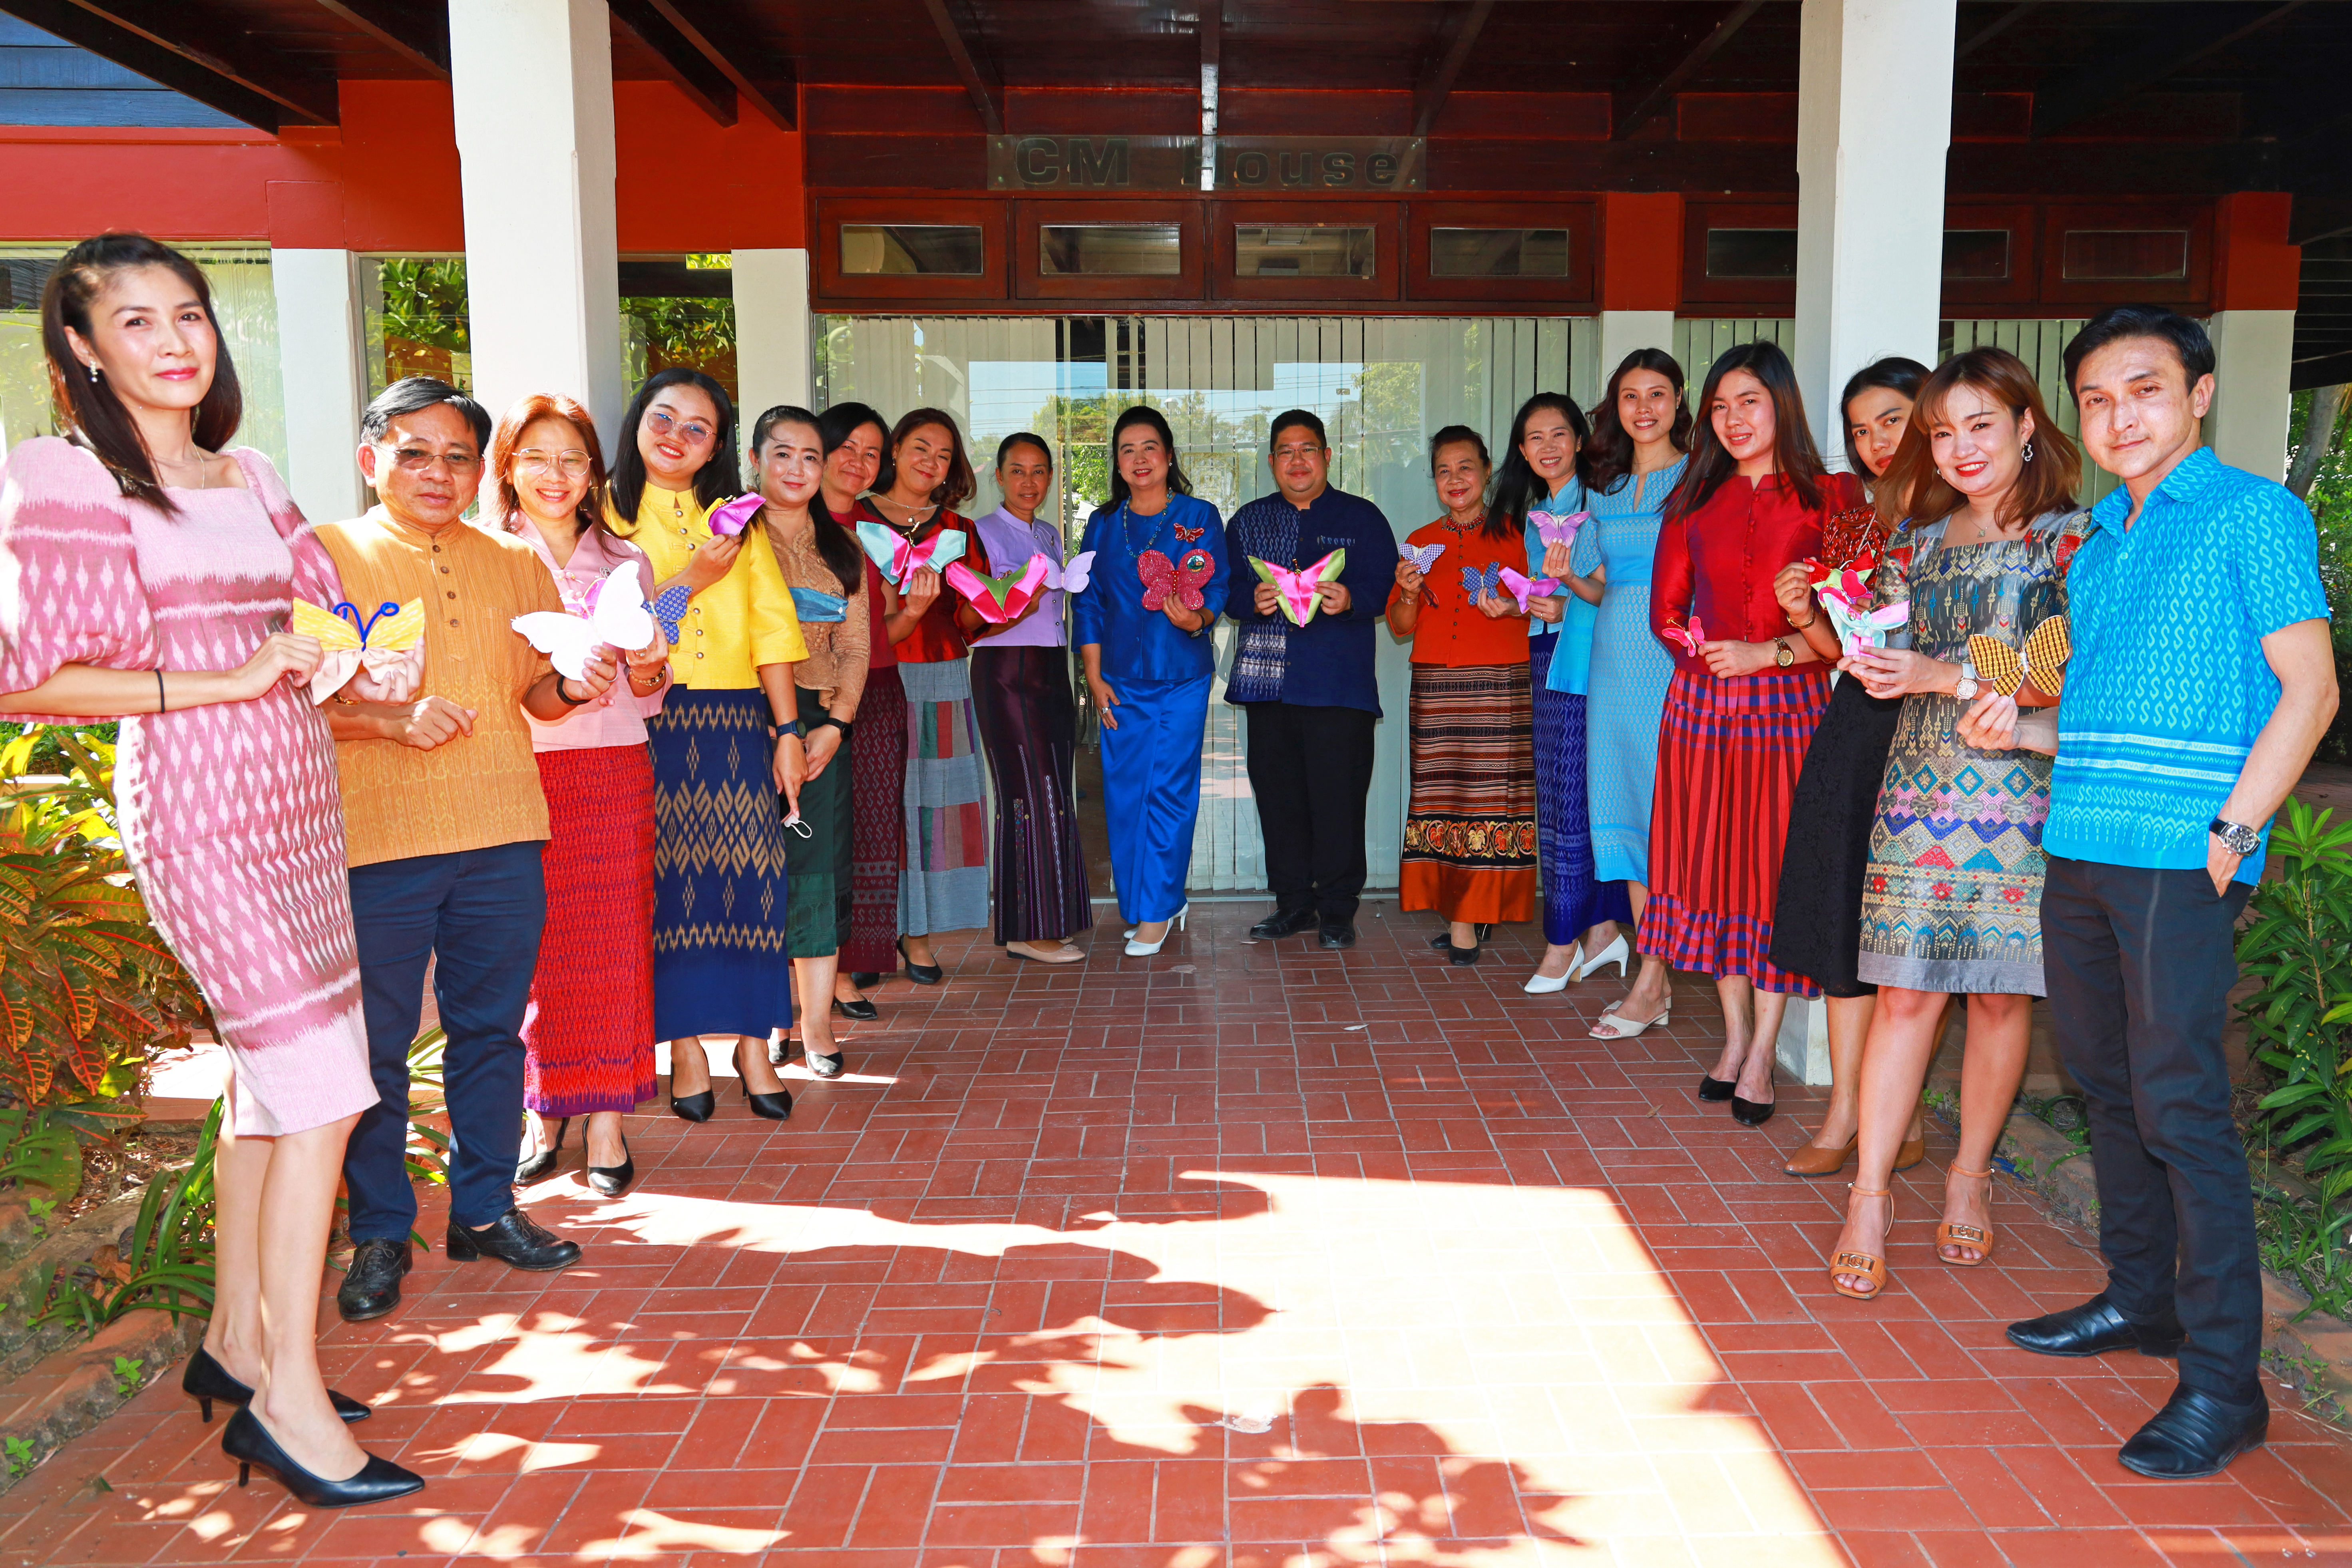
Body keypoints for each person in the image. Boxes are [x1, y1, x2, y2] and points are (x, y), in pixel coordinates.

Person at [0, 234, 418, 1506]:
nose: (177, 341)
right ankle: (287, 1400)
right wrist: (217, 680)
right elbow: (31, 677)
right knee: (324, 1081)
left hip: (296, 796)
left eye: (190, 313)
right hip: (195, 801)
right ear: (80, 345)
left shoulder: (250, 471)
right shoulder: (63, 477)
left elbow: (309, 624)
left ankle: (240, 1339)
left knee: (270, 1080)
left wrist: (365, 666)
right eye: (136, 321)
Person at [1997, 306, 2336, 1480]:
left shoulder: (2253, 511)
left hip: (2178, 858)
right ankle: (2138, 1301)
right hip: (2080, 841)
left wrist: (2232, 832)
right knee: (2103, 1085)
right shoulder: (2092, 541)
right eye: (2093, 399)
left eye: (2140, 389)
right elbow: (2091, 714)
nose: (2115, 417)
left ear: (2195, 394)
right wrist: (2020, 724)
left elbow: (2307, 687)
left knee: (2182, 1108)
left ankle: (2222, 1383)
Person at [310, 376, 601, 1321]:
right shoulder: (325, 555)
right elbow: (303, 699)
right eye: (414, 451)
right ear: (371, 458)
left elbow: (539, 699)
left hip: (504, 832)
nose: (439, 472)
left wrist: (583, 680)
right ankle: (381, 1232)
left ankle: (483, 1208)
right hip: (378, 839)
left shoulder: (516, 563)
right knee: (379, 1046)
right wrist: (388, 721)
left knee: (490, 1031)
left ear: (483, 470)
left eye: (458, 455)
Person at [1819, 346, 2086, 1303]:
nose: (1961, 448)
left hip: (2025, 793)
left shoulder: (2075, 543)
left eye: (1982, 425)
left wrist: (1949, 677)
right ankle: (1871, 1196)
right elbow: (1870, 647)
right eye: (1943, 432)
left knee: (2004, 999)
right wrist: (1834, 630)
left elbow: (2076, 683)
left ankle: (1970, 1177)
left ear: (2025, 426)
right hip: (1919, 787)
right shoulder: (1916, 543)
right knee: (1902, 998)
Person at [1645, 340, 1862, 1125]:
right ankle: (1734, 1039)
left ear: (1782, 405)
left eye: (1750, 402)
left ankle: (1765, 1052)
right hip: (1702, 711)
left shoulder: (1832, 498)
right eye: (1720, 405)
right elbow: (1664, 614)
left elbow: (1853, 628)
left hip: (1791, 710)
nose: (1733, 420)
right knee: (1709, 874)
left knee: (1773, 876)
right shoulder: (1691, 499)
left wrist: (1768, 652)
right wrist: (1705, 657)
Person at [607, 369, 808, 1124]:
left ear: (718, 447)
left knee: (754, 884)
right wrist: (690, 578)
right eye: (664, 418)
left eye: (698, 428)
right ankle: (685, 1046)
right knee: (670, 892)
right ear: (637, 421)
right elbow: (620, 625)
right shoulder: (603, 519)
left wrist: (787, 731)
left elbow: (771, 631)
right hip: (646, 718)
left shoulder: (739, 518)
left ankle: (754, 1045)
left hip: (734, 719)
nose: (676, 437)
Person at [496, 394, 669, 1197]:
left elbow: (656, 689)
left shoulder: (628, 562)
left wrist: (651, 664)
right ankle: (544, 1109)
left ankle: (606, 1119)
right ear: (509, 467)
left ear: (595, 470)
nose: (556, 474)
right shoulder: (488, 558)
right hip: (517, 773)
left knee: (613, 940)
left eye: (573, 458)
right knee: (533, 948)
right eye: (537, 457)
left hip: (611, 769)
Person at [1765, 358, 1932, 1176]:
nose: (1874, 443)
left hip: (1938, 734)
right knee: (1840, 916)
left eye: (1891, 421)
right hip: (1858, 726)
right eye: (1861, 429)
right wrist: (1804, 613)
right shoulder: (1853, 523)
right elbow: (1843, 653)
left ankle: (1900, 1118)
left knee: (1911, 935)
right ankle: (1844, 1115)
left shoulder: (1966, 518)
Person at [1220, 410, 1397, 949]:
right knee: (1279, 800)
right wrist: (1248, 600)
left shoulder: (1361, 518)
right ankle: (1293, 905)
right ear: (1272, 462)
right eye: (1285, 452)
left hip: (1338, 688)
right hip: (1267, 685)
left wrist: (1353, 600)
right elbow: (1224, 595)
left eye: (1307, 450)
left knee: (1338, 801)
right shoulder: (1247, 522)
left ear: (1326, 455)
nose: (1297, 461)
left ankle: (1338, 910)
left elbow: (1387, 589)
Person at [1556, 351, 1689, 1037]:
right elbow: (1601, 585)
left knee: (1667, 816)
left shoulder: (1700, 479)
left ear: (1677, 401)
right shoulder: (1601, 487)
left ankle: (1652, 977)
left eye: (1657, 394)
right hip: (1612, 658)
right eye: (1630, 396)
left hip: (1672, 663)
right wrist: (1566, 575)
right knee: (1625, 818)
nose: (1644, 408)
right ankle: (1653, 974)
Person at [1072, 405, 1229, 956]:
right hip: (1118, 681)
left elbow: (1217, 588)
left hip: (1181, 678)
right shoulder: (1101, 522)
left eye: (1149, 448)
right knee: (1123, 795)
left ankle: (1159, 908)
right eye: (1126, 450)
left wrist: (1199, 619)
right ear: (1117, 463)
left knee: (1167, 791)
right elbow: (1088, 603)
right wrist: (1093, 677)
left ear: (1167, 456)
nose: (1139, 459)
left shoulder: (1199, 514)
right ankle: (1144, 903)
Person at [1498, 392, 1634, 991]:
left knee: (1576, 801)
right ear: (1523, 453)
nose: (1547, 447)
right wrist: (1512, 603)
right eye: (1534, 439)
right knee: (1561, 800)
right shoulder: (1536, 514)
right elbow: (1541, 598)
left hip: (1588, 665)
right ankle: (1602, 934)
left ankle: (1564, 942)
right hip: (1545, 658)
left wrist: (1567, 592)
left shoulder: (1604, 505)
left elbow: (1610, 589)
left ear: (1580, 440)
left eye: (1559, 435)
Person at [1388, 426, 1538, 964]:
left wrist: (1515, 608)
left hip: (1498, 683)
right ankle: (1462, 908)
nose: (1455, 480)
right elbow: (1400, 625)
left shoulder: (1517, 536)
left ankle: (1465, 922)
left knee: (1489, 802)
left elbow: (1543, 604)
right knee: (1441, 799)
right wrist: (1407, 591)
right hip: (1434, 685)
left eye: (1465, 467)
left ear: (1486, 470)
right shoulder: (1418, 540)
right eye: (1443, 470)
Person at [754, 406, 866, 1079]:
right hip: (747, 731)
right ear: (756, 460)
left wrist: (836, 724)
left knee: (815, 877)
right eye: (783, 454)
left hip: (824, 732)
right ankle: (771, 1014)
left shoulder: (843, 550)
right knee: (756, 878)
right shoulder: (731, 543)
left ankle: (816, 1023)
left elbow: (855, 647)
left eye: (810, 458)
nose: (797, 469)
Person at [956, 433, 1092, 962]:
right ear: (998, 476)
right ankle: (1024, 928)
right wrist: (1016, 596)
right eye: (1018, 471)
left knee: (1054, 789)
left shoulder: (1050, 534)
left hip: (1049, 669)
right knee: (1025, 794)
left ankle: (1050, 920)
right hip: (1006, 672)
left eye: (1039, 471)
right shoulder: (981, 533)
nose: (1029, 481)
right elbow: (969, 621)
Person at [867, 408, 990, 980]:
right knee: (873, 808)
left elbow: (969, 617)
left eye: (943, 456)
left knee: (933, 809)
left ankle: (916, 934)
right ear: (894, 450)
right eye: (920, 448)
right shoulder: (854, 518)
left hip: (940, 675)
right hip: (868, 673)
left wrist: (1012, 606)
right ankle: (865, 939)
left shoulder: (959, 531)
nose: (930, 463)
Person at [817, 402, 898, 1015]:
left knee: (867, 835)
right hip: (809, 701)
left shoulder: (875, 532)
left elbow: (884, 627)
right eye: (847, 445)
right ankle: (819, 976)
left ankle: (850, 963)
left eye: (872, 452)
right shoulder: (783, 522)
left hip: (877, 689)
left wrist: (918, 607)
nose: (858, 461)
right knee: (816, 837)